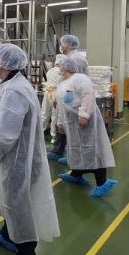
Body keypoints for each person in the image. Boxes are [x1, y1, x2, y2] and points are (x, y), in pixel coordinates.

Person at [0, 44, 60, 255]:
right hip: (24, 156)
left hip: (19, 159)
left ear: (4, 63)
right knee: (13, 201)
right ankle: (7, 235)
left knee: (17, 203)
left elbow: (7, 133)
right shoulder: (16, 84)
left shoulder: (13, 91)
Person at [55, 57, 117, 197]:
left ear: (66, 67)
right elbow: (61, 105)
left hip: (85, 123)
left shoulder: (80, 78)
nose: (58, 68)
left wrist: (84, 115)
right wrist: (60, 122)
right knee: (76, 149)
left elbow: (87, 96)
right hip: (71, 124)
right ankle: (76, 174)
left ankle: (102, 182)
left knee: (91, 149)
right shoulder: (63, 83)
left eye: (60, 66)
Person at [48, 35, 89, 164]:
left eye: (62, 44)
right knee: (63, 123)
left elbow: (75, 80)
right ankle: (58, 151)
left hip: (73, 97)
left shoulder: (76, 59)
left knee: (72, 127)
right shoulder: (69, 57)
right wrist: (58, 97)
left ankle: (74, 155)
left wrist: (65, 97)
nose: (61, 46)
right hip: (66, 94)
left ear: (69, 45)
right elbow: (63, 79)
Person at [41, 55, 64, 139]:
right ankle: (53, 135)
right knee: (55, 115)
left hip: (48, 92)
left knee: (44, 113)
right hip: (56, 93)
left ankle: (40, 132)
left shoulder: (50, 71)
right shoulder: (61, 72)